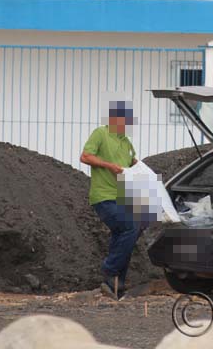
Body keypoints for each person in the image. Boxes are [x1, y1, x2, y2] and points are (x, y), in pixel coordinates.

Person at [80, 100, 140, 300]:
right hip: (104, 196)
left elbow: (134, 163)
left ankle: (114, 284)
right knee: (130, 227)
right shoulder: (101, 133)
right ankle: (109, 269)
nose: (128, 123)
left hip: (122, 196)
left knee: (122, 233)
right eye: (125, 119)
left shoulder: (126, 142)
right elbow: (85, 157)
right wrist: (109, 166)